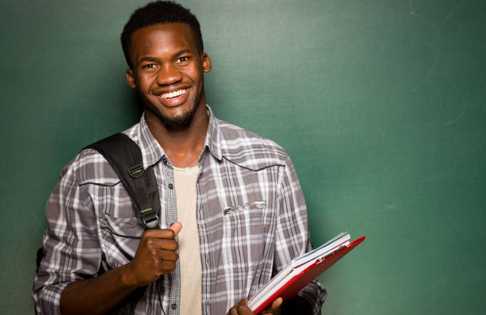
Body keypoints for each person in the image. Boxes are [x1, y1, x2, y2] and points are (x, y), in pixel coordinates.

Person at [32, 1, 326, 315]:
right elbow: (50, 302)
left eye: (182, 58)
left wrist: (277, 313)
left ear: (204, 62)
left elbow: (306, 291)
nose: (169, 76)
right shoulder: (90, 173)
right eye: (150, 65)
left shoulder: (269, 164)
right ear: (132, 78)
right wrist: (129, 276)